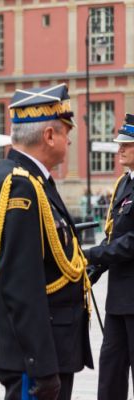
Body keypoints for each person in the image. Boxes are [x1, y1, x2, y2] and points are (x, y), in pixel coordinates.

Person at [0, 84, 92, 400]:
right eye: (66, 130)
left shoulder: (32, 181)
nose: (69, 139)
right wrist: (41, 365)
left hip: (47, 347)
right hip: (34, 355)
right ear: (49, 136)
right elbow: (21, 284)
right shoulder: (19, 187)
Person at [85, 113, 134, 399]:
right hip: (118, 299)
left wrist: (92, 254)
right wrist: (92, 269)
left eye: (127, 144)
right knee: (111, 374)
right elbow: (114, 234)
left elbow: (131, 243)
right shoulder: (123, 184)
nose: (120, 149)